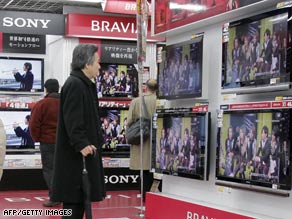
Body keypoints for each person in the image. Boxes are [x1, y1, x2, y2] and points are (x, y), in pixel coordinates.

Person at [51, 44, 106, 219]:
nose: (100, 66)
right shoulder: (75, 84)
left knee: (80, 201)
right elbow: (72, 120)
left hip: (83, 156)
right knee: (74, 204)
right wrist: (81, 143)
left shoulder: (84, 84)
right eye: (97, 62)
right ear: (86, 64)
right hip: (77, 158)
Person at [29, 78, 60, 207]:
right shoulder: (66, 102)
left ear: (46, 89)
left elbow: (33, 124)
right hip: (64, 144)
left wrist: (37, 138)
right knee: (63, 169)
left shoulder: (41, 104)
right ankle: (66, 195)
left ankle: (54, 197)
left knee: (49, 170)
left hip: (47, 142)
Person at [127, 79, 158, 203]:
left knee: (144, 171)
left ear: (146, 87)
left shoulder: (136, 102)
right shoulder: (161, 101)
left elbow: (129, 122)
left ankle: (146, 199)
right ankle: (157, 196)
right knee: (156, 170)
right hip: (157, 141)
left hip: (141, 141)